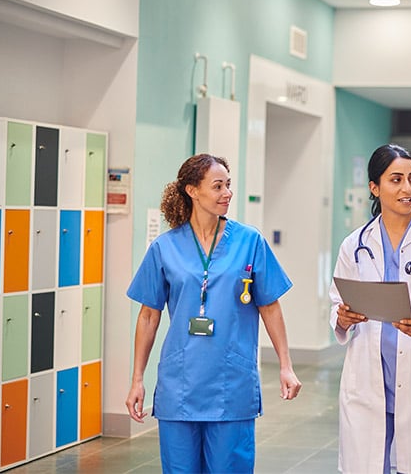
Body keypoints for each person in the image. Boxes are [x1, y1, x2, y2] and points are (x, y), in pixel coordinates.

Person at [125, 153, 301, 474]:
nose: (227, 194)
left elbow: (270, 306)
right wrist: (137, 380)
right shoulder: (164, 247)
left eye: (228, 186)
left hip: (230, 383)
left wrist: (286, 366)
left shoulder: (250, 242)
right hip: (179, 384)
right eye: (217, 186)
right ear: (192, 191)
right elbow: (149, 316)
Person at [329, 144, 411, 474]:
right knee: (369, 463)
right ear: (375, 187)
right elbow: (336, 302)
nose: (407, 188)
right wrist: (342, 317)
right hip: (369, 379)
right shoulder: (355, 244)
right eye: (396, 179)